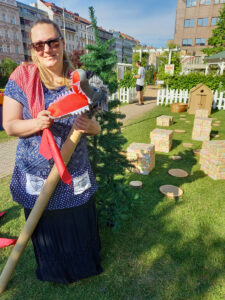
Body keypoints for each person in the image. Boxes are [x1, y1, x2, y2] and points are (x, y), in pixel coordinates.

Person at [2, 18, 103, 284]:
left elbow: (97, 126)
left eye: (52, 42)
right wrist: (37, 122)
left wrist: (91, 126)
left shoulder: (82, 80)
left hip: (74, 171)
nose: (47, 49)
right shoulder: (22, 79)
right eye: (39, 44)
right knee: (46, 226)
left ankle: (83, 268)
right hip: (36, 174)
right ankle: (53, 271)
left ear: (62, 42)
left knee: (75, 222)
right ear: (32, 49)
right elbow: (10, 125)